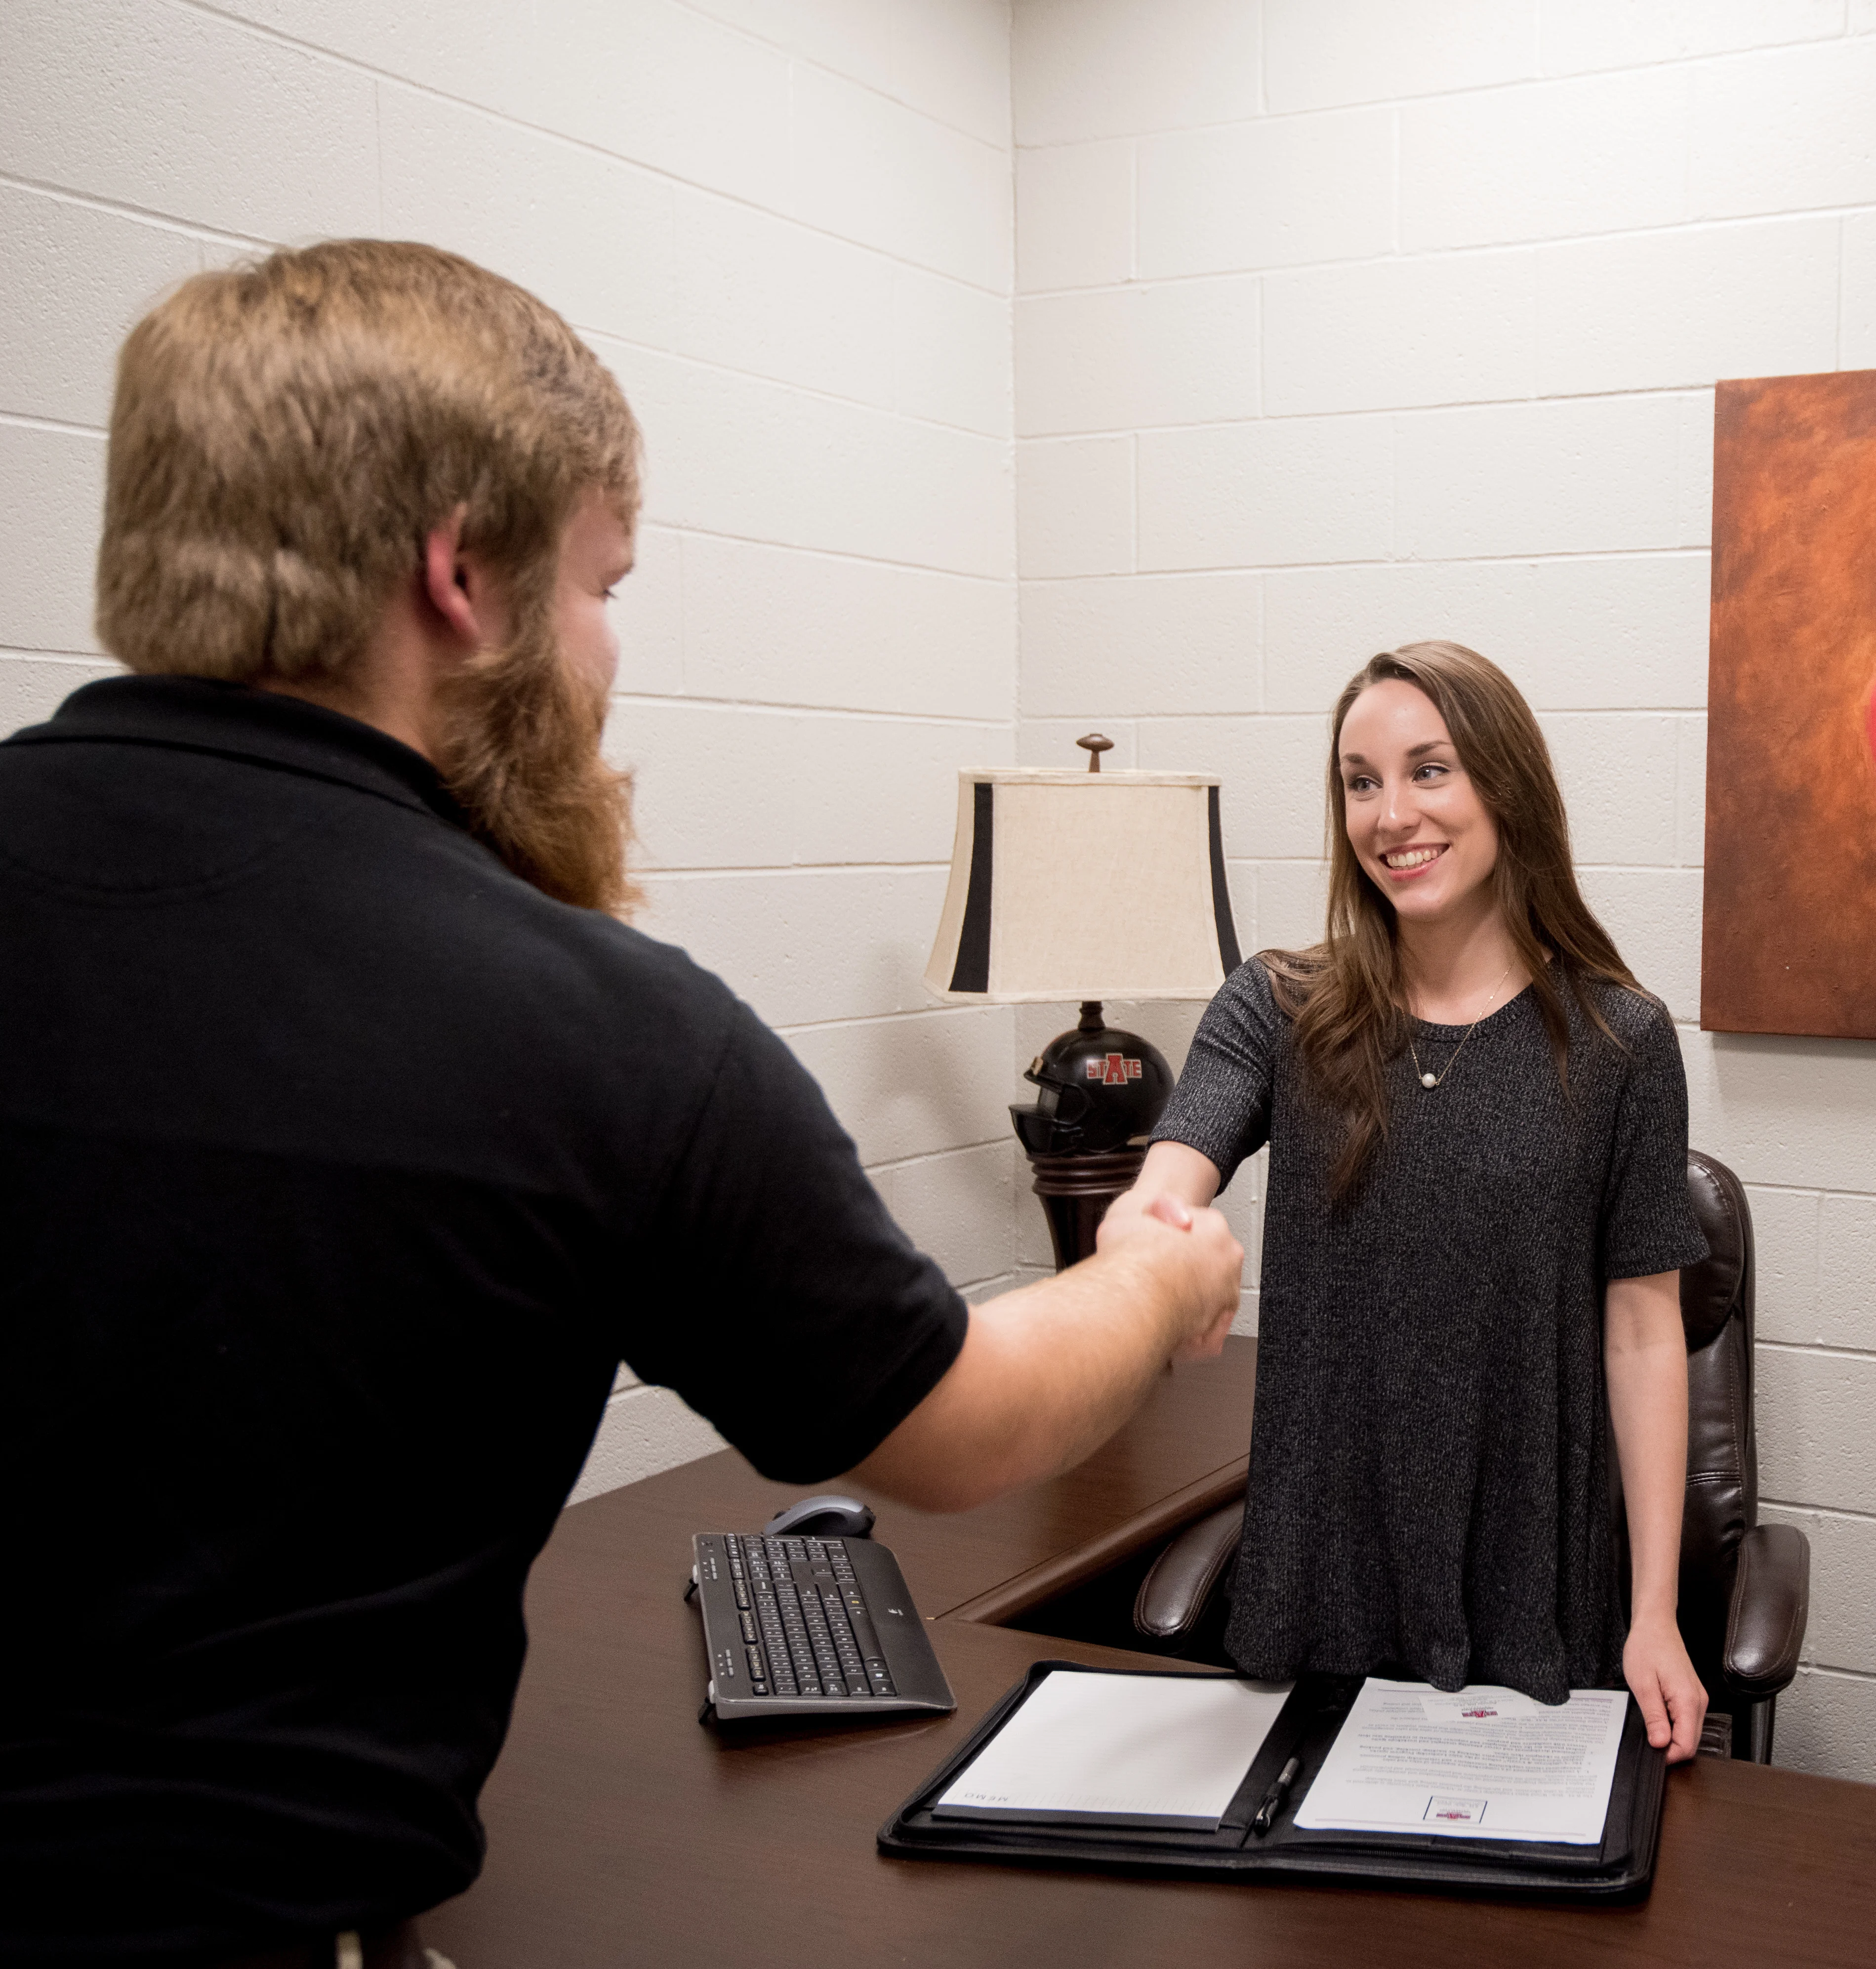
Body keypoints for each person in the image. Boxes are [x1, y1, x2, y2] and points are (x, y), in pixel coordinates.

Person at [0, 241, 1243, 1968]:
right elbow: (962, 1425)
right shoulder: (589, 1030)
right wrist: (1158, 1276)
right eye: (601, 585)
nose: (603, 656)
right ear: (461, 574)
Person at [1134, 641, 1712, 1764]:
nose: (1391, 814)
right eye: (1360, 781)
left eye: (1429, 770)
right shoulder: (1279, 1006)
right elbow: (1176, 1163)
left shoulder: (1618, 1043)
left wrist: (1656, 1612)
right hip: (1327, 1573)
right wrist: (1151, 1238)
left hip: (1533, 1582)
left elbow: (1644, 1337)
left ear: (1505, 783)